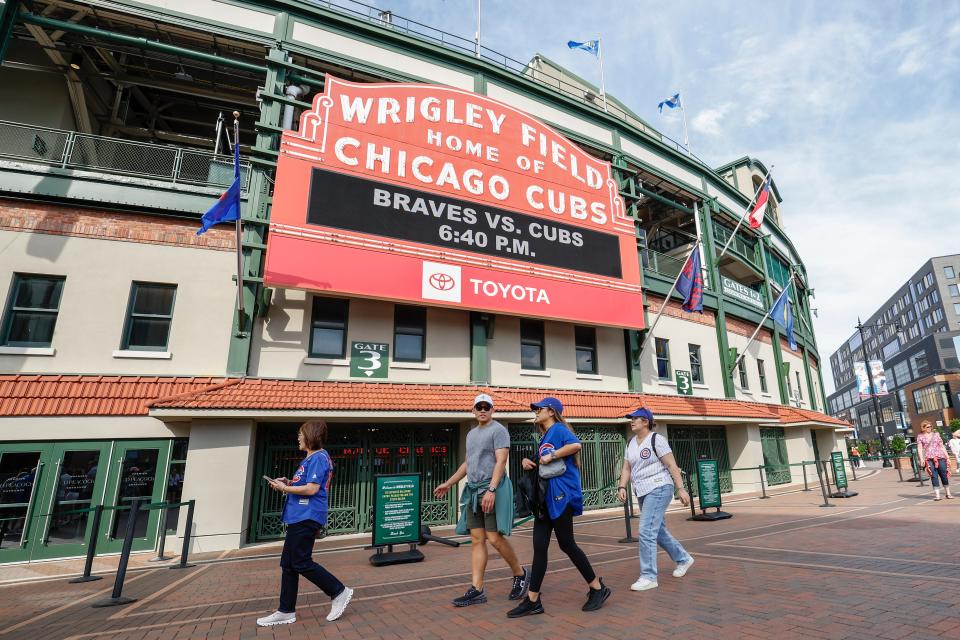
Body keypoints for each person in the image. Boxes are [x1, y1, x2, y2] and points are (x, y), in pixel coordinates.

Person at [507, 397, 610, 618]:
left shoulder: (560, 429)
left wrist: (551, 455)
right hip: (546, 499)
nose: (536, 412)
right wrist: (529, 461)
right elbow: (542, 462)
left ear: (552, 411)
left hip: (562, 496)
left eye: (539, 409)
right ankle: (533, 600)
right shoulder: (545, 435)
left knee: (567, 544)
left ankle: (597, 588)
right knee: (540, 546)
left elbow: (575, 445)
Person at [434, 393, 529, 607]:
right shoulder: (471, 434)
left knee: (494, 538)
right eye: (479, 407)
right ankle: (477, 589)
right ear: (474, 410)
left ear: (493, 410)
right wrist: (449, 483)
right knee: (477, 540)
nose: (483, 410)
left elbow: (501, 461)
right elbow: (468, 463)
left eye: (487, 406)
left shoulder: (499, 431)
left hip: (491, 489)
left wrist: (492, 490)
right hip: (474, 491)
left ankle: (521, 573)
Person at [257, 420, 353, 627]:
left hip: (307, 516)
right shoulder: (310, 459)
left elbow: (311, 489)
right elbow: (305, 484)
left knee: (300, 561)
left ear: (310, 436)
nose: (298, 438)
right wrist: (289, 483)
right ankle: (285, 610)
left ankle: (339, 591)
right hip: (298, 515)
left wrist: (284, 488)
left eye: (301, 434)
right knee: (288, 564)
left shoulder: (318, 458)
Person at [617, 408, 693, 591]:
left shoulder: (656, 440)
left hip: (659, 486)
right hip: (642, 490)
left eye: (635, 419)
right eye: (631, 419)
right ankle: (683, 559)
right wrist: (621, 486)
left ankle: (649, 576)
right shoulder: (630, 443)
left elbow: (671, 464)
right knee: (657, 531)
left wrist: (680, 488)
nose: (632, 421)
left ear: (646, 421)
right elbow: (627, 468)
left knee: (645, 530)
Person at [917, 420, 952, 501]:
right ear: (923, 428)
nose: (930, 428)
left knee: (943, 474)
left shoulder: (936, 434)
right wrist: (921, 459)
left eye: (930, 426)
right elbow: (919, 448)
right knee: (933, 475)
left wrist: (948, 457)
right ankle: (937, 495)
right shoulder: (920, 436)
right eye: (928, 427)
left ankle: (948, 493)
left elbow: (942, 446)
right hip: (928, 458)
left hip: (940, 457)